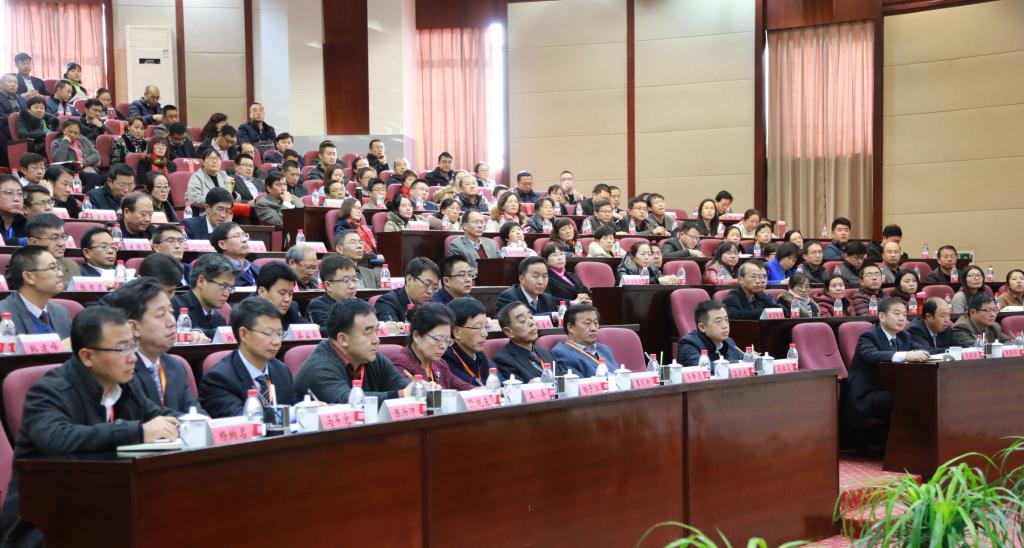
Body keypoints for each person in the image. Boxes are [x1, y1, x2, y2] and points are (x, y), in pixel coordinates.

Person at [0, 306, 179, 547]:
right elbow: (57, 438)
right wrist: (137, 431)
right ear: (87, 356)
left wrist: (184, 423)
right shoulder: (49, 391)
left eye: (133, 345)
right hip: (45, 519)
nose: (133, 358)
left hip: (104, 507)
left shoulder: (126, 384)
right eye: (122, 349)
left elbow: (157, 416)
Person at [296, 297, 422, 405]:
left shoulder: (371, 357)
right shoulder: (319, 368)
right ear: (343, 339)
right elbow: (347, 402)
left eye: (376, 331)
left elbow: (404, 388)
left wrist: (419, 390)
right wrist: (400, 395)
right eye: (368, 332)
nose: (376, 340)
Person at [105, 278, 203, 414]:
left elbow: (195, 414)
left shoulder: (175, 366)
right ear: (134, 327)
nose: (172, 322)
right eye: (161, 315)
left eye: (171, 312)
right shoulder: (122, 371)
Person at [200, 298, 296, 418]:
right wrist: (289, 415)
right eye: (268, 333)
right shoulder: (219, 379)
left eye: (280, 333)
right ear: (243, 334)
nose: (276, 341)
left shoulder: (282, 371)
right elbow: (240, 422)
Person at [845, 298, 931, 424]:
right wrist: (906, 355)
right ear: (882, 317)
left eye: (904, 315)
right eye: (897, 314)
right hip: (866, 396)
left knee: (924, 392)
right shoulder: (869, 336)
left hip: (889, 389)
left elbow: (926, 350)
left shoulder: (903, 336)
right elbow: (873, 355)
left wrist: (950, 351)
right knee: (905, 397)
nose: (902, 319)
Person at [390, 303, 474, 390]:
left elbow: (462, 387)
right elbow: (410, 394)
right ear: (417, 336)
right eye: (438, 339)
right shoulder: (400, 364)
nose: (443, 346)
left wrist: (478, 390)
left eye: (447, 340)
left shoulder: (440, 364)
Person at [0, 245, 71, 338]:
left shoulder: (61, 313)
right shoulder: (3, 314)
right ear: (29, 277)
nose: (61, 274)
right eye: (52, 267)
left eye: (58, 267)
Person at [171, 254, 235, 343]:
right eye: (223, 286)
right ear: (201, 281)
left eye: (230, 288)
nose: (227, 293)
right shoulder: (174, 307)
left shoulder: (219, 318)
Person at [493, 302, 560, 381]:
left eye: (531, 317)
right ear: (508, 332)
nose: (531, 323)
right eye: (522, 321)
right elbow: (515, 387)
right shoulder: (504, 360)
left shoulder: (546, 352)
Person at [441, 298, 497, 386]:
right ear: (457, 332)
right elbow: (464, 385)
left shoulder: (479, 355)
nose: (485, 334)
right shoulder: (445, 358)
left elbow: (497, 380)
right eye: (478, 328)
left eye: (486, 327)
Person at [550, 304, 617, 377]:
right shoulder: (562, 352)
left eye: (595, 323)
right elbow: (574, 382)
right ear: (570, 327)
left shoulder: (603, 349)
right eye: (587, 323)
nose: (594, 328)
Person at [676, 300, 744, 366]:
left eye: (726, 320)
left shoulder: (729, 342)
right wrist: (740, 363)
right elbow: (703, 368)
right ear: (702, 327)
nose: (725, 326)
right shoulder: (689, 344)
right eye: (719, 321)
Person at [374, 257, 440, 323]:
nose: (430, 291)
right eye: (427, 284)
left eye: (434, 288)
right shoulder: (388, 302)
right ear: (409, 279)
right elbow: (391, 327)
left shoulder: (433, 305)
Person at [307, 256, 359, 336]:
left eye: (354, 280)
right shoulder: (318, 306)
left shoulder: (361, 304)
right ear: (328, 285)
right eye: (346, 281)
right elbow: (331, 332)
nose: (352, 286)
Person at [252, 261, 304, 331]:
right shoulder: (246, 314)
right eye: (282, 293)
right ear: (262, 292)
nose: (287, 299)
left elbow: (312, 329)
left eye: (290, 294)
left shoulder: (291, 310)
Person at [25, 213, 79, 280]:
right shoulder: (22, 267)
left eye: (63, 237)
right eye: (54, 238)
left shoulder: (72, 266)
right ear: (33, 242)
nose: (62, 243)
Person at [210, 222, 260, 286]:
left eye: (245, 235)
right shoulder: (217, 272)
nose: (245, 240)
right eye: (237, 236)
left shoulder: (256, 269)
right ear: (222, 244)